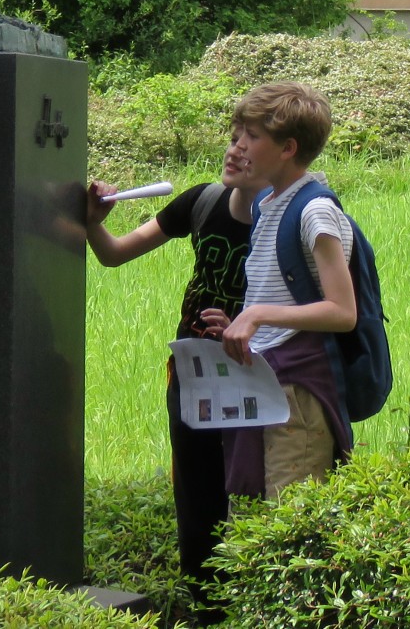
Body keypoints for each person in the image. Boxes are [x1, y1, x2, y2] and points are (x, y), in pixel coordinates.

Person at [83, 122, 266, 597]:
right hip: (194, 373)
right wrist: (93, 220)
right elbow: (115, 254)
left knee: (257, 489)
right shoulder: (202, 202)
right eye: (233, 139)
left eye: (251, 142)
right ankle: (203, 600)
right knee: (196, 492)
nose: (235, 151)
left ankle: (257, 595)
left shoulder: (292, 221)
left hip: (258, 377)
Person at [217, 82, 359, 499]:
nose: (239, 145)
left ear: (288, 148)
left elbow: (342, 311)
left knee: (289, 518)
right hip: (263, 379)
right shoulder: (268, 204)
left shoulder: (315, 211)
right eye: (239, 132)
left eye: (253, 136)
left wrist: (258, 316)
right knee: (249, 513)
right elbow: (278, 295)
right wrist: (239, 324)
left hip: (297, 391)